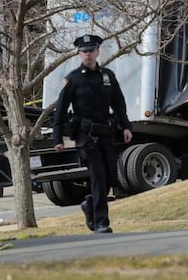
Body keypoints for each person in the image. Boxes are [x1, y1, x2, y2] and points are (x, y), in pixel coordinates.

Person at [52, 34, 133, 234]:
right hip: (85, 137)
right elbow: (61, 110)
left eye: (91, 50)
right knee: (98, 177)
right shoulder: (73, 79)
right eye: (84, 51)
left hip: (106, 134)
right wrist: (57, 138)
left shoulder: (107, 76)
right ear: (79, 54)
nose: (88, 54)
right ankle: (101, 222)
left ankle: (90, 204)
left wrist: (126, 126)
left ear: (97, 52)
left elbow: (119, 103)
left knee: (111, 177)